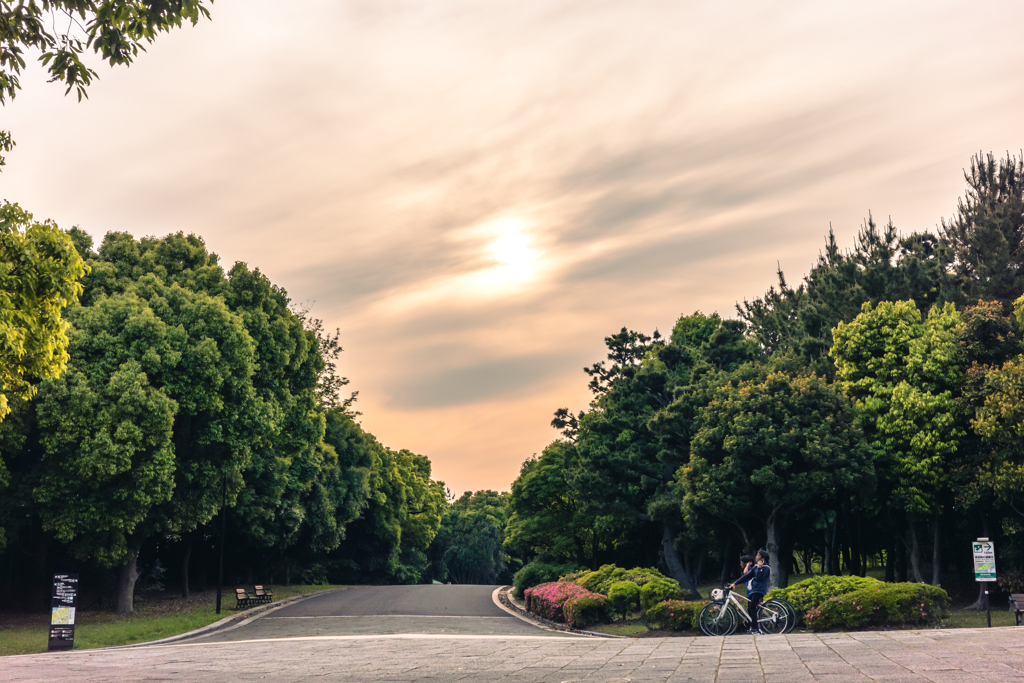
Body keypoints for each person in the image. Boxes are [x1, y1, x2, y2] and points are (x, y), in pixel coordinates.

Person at [729, 549, 770, 635]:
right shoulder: (755, 567)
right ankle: (756, 628)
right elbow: (746, 576)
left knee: (752, 606)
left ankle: (754, 629)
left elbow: (759, 579)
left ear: (762, 558)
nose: (756, 556)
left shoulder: (766, 568)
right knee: (752, 608)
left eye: (758, 555)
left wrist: (759, 568)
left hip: (759, 590)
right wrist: (735, 583)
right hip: (754, 590)